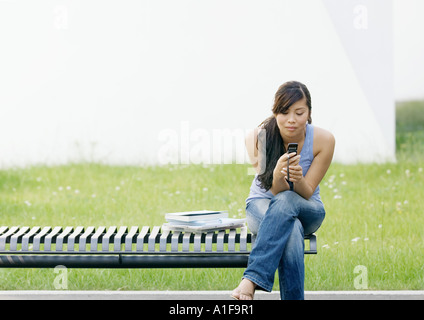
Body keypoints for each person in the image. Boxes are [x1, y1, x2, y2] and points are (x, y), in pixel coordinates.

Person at [232, 81, 335, 300]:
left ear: (309, 113)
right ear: (275, 112)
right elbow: (273, 190)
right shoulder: (256, 139)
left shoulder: (324, 140)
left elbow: (306, 192)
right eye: (284, 112)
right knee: (291, 230)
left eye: (299, 112)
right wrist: (278, 175)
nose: (291, 120)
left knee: (289, 199)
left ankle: (251, 279)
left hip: (308, 208)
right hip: (262, 206)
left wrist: (296, 180)